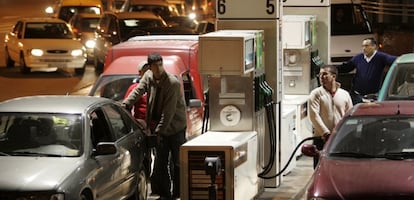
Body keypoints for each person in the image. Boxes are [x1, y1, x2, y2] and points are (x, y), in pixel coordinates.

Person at [122, 52, 187, 200]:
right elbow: (138, 90)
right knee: (161, 161)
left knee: (177, 162)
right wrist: (126, 104)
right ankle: (165, 194)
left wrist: (158, 132)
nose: (158, 69)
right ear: (150, 67)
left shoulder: (172, 83)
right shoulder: (148, 77)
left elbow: (168, 112)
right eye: (155, 66)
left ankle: (179, 192)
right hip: (159, 127)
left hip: (175, 127)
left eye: (160, 65)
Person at [309, 65, 353, 168]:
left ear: (334, 76)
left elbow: (350, 115)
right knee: (320, 167)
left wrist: (347, 133)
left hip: (340, 138)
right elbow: (314, 115)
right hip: (321, 138)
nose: (321, 77)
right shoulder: (316, 94)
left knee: (339, 167)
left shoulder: (344, 94)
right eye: (320, 75)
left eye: (324, 74)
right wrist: (326, 133)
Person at [337, 37, 397, 105]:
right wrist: (332, 69)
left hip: (374, 96)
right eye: (363, 46)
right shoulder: (358, 58)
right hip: (357, 96)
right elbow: (346, 67)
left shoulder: (380, 57)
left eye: (366, 46)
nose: (364, 48)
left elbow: (395, 61)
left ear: (374, 46)